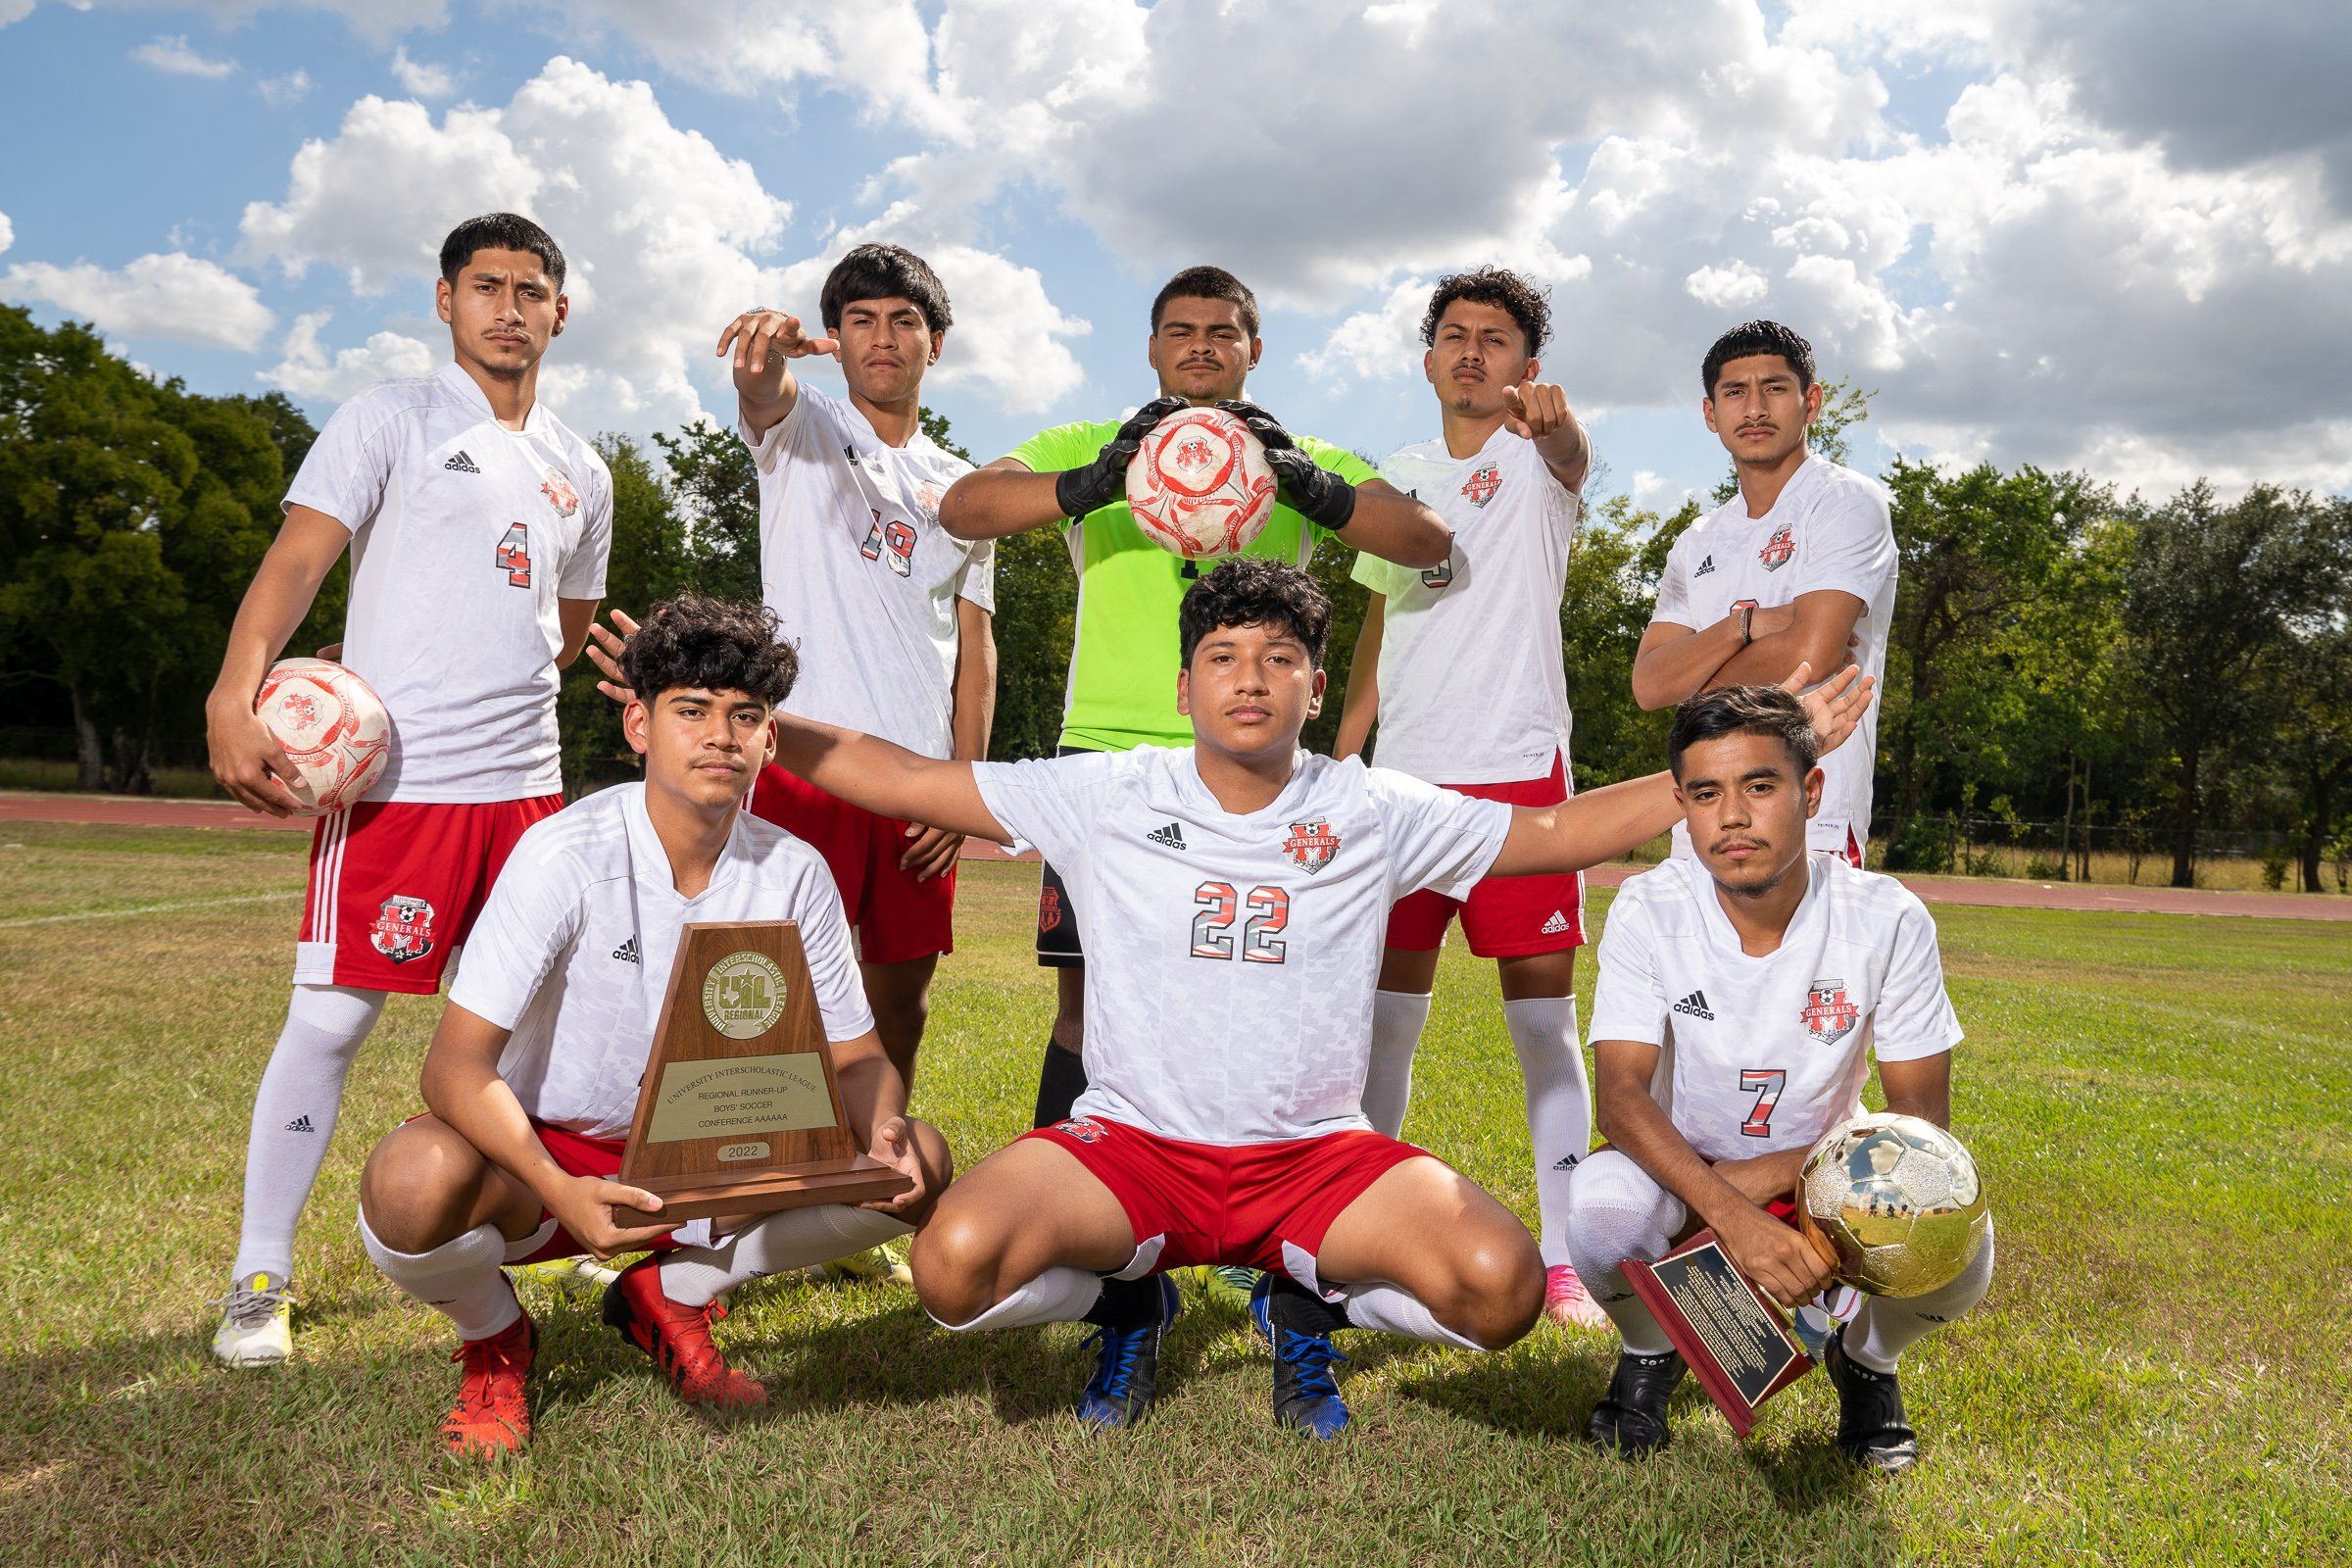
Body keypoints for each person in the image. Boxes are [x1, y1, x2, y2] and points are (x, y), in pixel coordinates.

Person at [631, 559, 1870, 1438]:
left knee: (1498, 1293)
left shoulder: (1369, 804)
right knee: (954, 1272)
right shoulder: (1108, 792)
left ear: (1316, 688)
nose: (1249, 677)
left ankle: (1304, 1290)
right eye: (1222, 656)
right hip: (1132, 1146)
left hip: (1318, 1157)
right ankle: (1140, 1286)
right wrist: (743, 718)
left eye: (1280, 657)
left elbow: (1553, 831)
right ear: (1184, 688)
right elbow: (899, 775)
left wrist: (1734, 766)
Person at [937, 263, 1450, 1321]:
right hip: (1113, 764)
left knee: (1284, 1000)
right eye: (1182, 329)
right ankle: (1123, 1282)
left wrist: (1319, 490)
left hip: (1273, 775)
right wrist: (1093, 483)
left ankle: (1286, 1259)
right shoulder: (1095, 443)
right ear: (1155, 349)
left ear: (1255, 350)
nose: (1203, 345)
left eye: (1225, 330)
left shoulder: (1299, 455)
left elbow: (1426, 541)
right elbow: (963, 505)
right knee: (1089, 1002)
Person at [353, 595, 947, 1458]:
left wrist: (883, 1121)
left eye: (746, 716)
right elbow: (453, 1070)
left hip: (714, 1154)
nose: (721, 736)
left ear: (770, 741)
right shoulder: (565, 853)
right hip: (551, 1151)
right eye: (691, 711)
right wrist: (560, 1192)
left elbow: (858, 1058)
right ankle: (495, 1338)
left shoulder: (794, 870)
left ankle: (671, 1292)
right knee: (410, 1186)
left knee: (915, 1166)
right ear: (639, 724)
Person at [203, 213, 613, 1366]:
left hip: (527, 794)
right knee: (331, 1020)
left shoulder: (585, 467)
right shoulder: (389, 415)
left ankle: (555, 1217)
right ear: (446, 301)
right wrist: (233, 694)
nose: (509, 309)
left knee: (544, 1031)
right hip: (398, 788)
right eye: (486, 287)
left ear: (560, 312)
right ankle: (258, 1276)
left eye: (532, 290)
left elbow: (568, 626)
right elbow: (295, 564)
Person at [1567, 684, 1993, 1471]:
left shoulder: (1886, 916)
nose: (1731, 816)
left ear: (1811, 791)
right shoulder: (1649, 905)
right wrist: (1729, 1210)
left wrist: (1780, 1193)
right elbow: (1621, 1098)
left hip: (1827, 1169)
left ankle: (1867, 1361)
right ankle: (1648, 1352)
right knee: (1599, 1211)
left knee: (1961, 1244)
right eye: (1705, 793)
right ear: (1681, 806)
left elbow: (1920, 1123)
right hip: (1684, 1165)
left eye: (1759, 786)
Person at [710, 245, 994, 1279]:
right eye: (861, 319)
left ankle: (851, 1190)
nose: (883, 337)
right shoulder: (807, 431)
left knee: (897, 999)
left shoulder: (963, 488)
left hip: (917, 789)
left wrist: (965, 791)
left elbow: (975, 650)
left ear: (935, 342)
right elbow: (762, 389)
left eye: (903, 320)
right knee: (767, 1003)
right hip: (804, 771)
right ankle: (725, 1207)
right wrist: (764, 356)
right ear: (839, 338)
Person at [1332, 267, 1605, 1330]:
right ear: (1430, 353)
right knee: (1385, 1023)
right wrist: (1344, 761)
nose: (1472, 351)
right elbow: (1375, 628)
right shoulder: (1394, 475)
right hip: (1400, 784)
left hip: (1517, 774)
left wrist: (1559, 428)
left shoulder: (1538, 458)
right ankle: (1356, 1235)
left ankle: (1574, 1256)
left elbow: (1572, 458)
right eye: (1454, 334)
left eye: (1495, 338)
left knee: (1542, 1026)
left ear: (1527, 366)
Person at [1631, 320, 1895, 866]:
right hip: (1699, 824)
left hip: (1812, 818)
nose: (1754, 408)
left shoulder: (1843, 502)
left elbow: (1814, 654)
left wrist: (1694, 680)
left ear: (1811, 402)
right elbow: (1649, 683)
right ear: (1711, 414)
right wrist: (1742, 628)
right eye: (1734, 392)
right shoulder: (1696, 540)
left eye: (1774, 388)